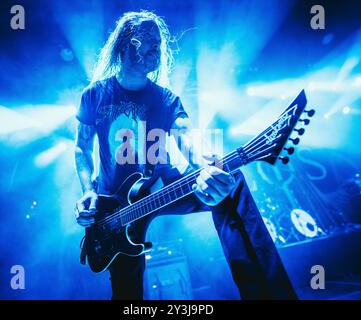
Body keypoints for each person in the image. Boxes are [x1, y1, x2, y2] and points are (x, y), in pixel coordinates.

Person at [74, 10, 297, 300]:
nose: (157, 46)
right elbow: (81, 146)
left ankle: (268, 294)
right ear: (125, 43)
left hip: (158, 186)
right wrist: (87, 191)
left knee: (229, 182)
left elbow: (189, 137)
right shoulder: (94, 95)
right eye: (148, 39)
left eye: (159, 41)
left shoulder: (165, 99)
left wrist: (207, 166)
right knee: (126, 290)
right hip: (113, 206)